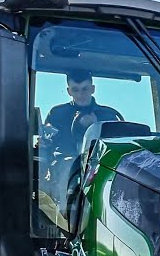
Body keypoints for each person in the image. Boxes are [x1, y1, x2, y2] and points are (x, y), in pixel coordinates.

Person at [38, 70, 124, 224]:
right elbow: (47, 143)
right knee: (69, 165)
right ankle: (66, 218)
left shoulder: (108, 115)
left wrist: (96, 125)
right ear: (68, 91)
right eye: (75, 90)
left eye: (85, 89)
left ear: (92, 89)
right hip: (65, 164)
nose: (80, 94)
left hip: (99, 165)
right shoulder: (57, 113)